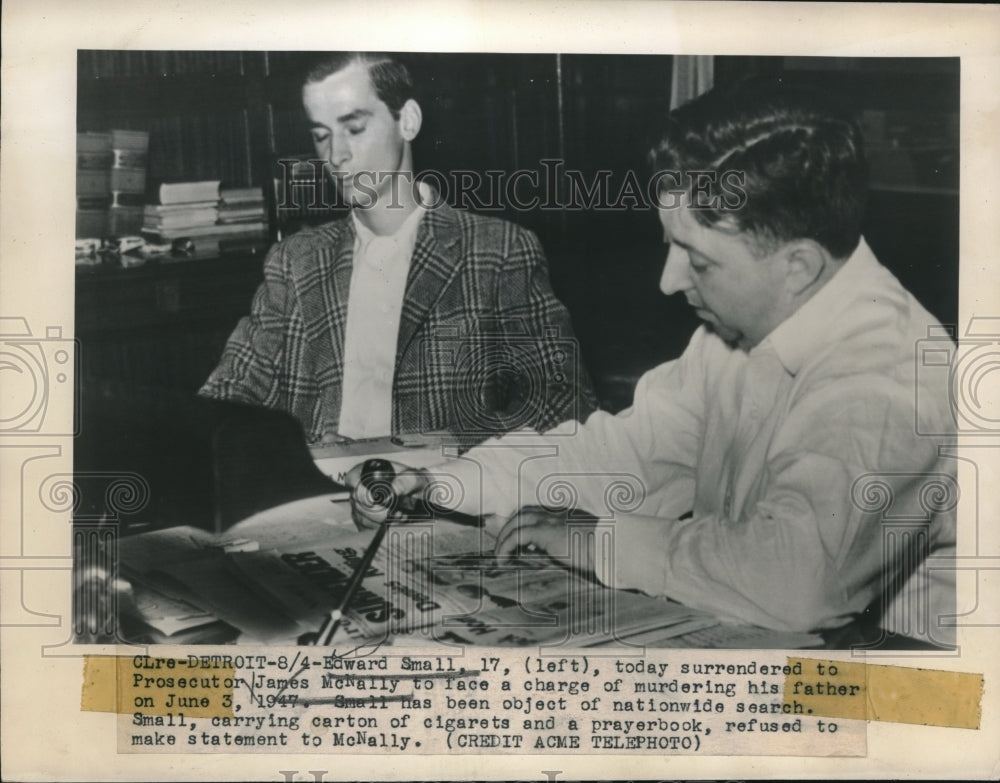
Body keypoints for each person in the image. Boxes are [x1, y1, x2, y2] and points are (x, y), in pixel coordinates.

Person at [350, 77, 957, 641]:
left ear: (796, 265)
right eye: (670, 245)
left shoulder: (890, 374)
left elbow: (795, 582)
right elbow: (625, 458)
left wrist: (597, 542)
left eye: (697, 258)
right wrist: (440, 486)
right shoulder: (748, 329)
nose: (668, 281)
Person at [200, 52, 596, 445]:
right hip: (318, 497)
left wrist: (434, 460)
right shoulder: (296, 261)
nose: (335, 155)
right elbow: (229, 397)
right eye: (321, 135)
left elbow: (564, 408)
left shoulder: (499, 251)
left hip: (446, 496)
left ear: (407, 121)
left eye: (354, 129)